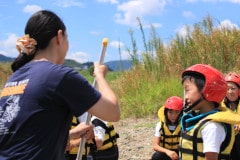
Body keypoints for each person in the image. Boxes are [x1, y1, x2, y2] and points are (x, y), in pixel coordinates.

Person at [0, 10, 120, 160]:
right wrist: (100, 76)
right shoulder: (59, 75)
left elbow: (25, 138)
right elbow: (113, 111)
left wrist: (71, 134)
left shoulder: (14, 78)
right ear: (59, 36)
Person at [179, 64, 240, 160]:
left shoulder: (212, 127)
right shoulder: (200, 121)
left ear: (206, 90)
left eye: (188, 90)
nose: (185, 97)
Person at [151, 96, 183, 160]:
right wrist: (168, 151)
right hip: (166, 153)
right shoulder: (160, 125)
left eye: (177, 112)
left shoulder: (184, 125)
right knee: (156, 156)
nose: (173, 116)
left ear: (181, 113)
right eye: (170, 112)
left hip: (180, 154)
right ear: (166, 112)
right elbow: (155, 146)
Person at [222, 73, 240, 159]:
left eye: (233, 88)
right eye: (227, 89)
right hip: (226, 141)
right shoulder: (220, 105)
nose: (230, 92)